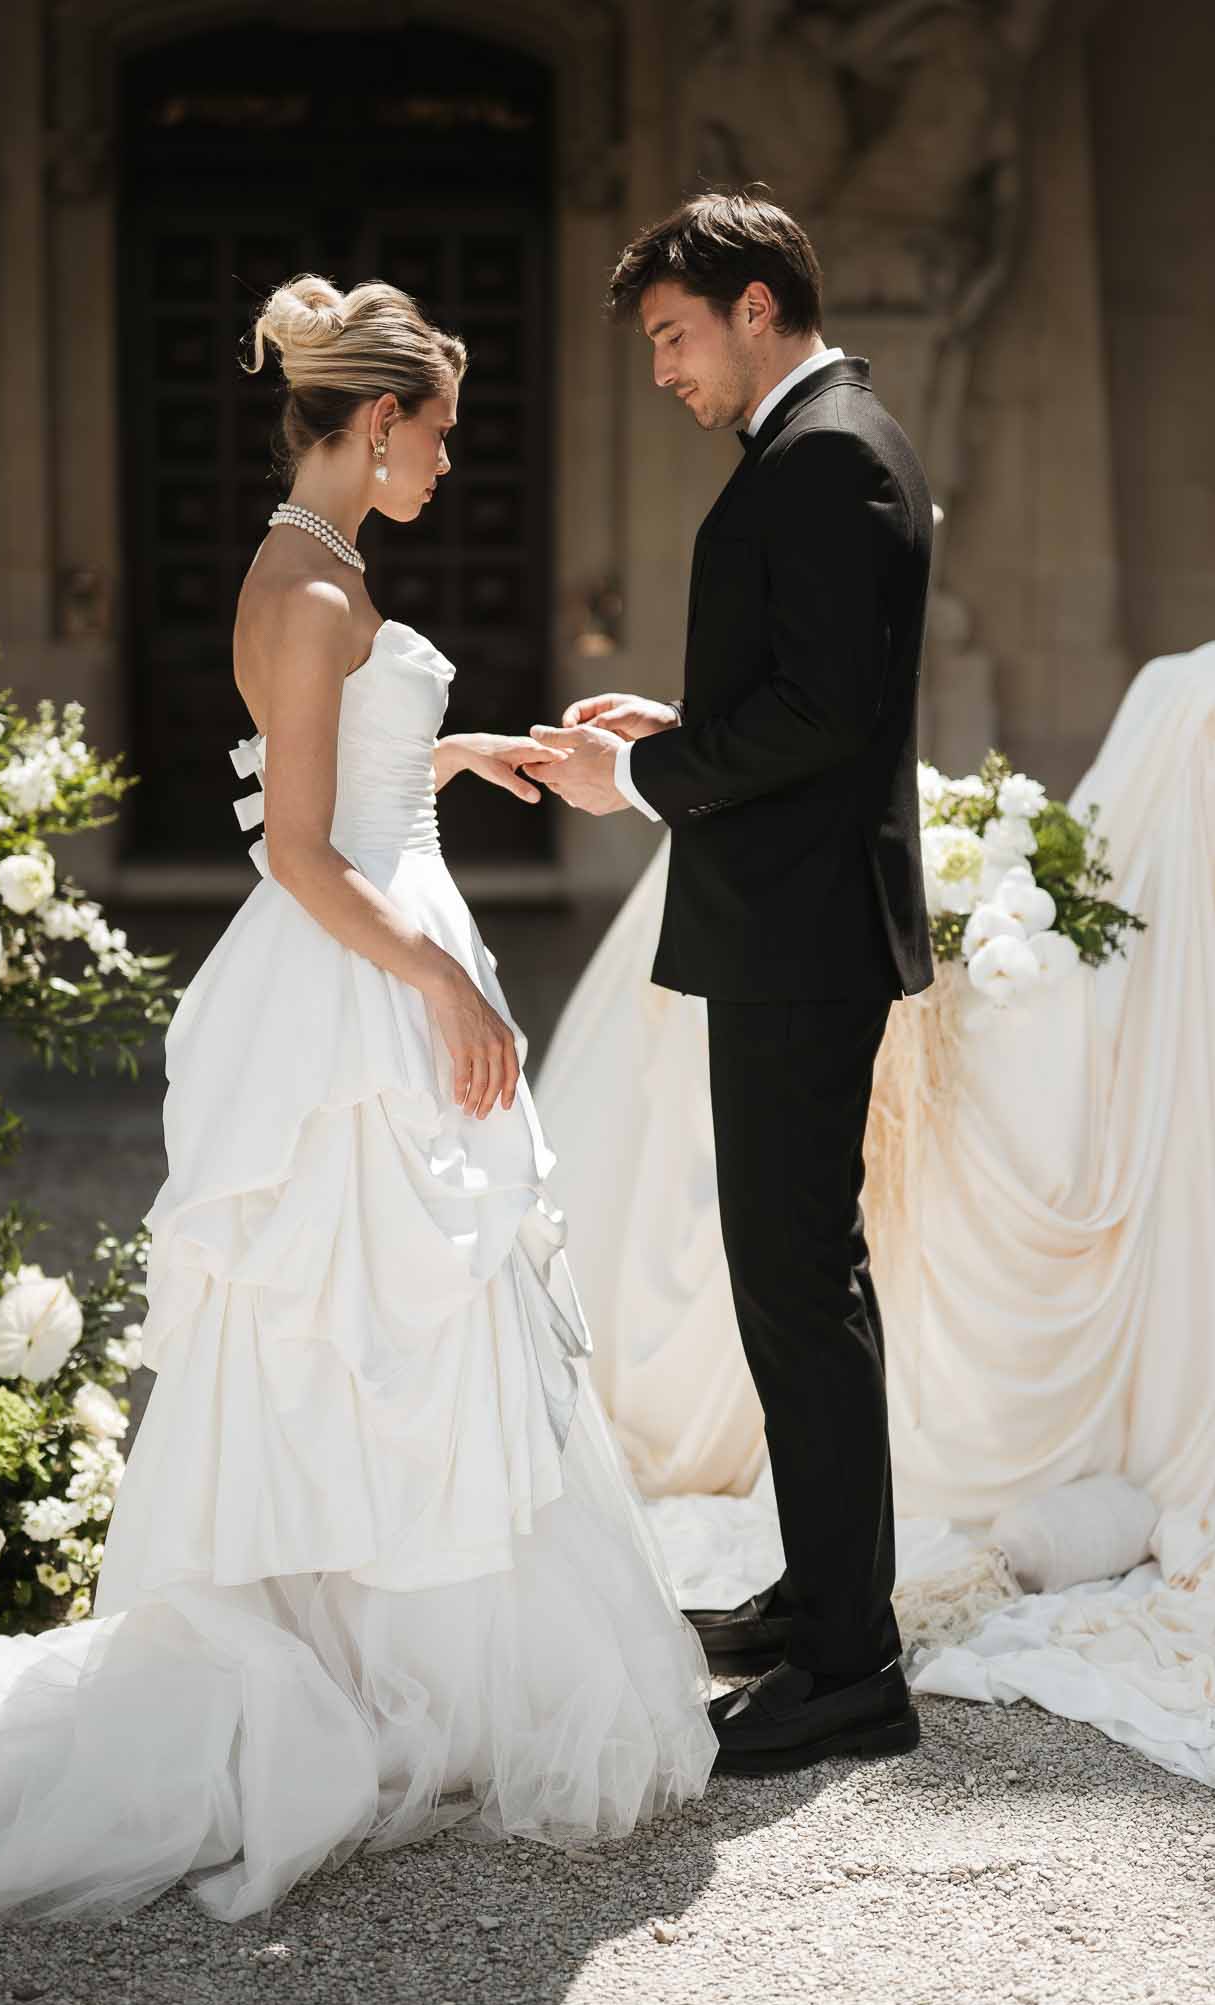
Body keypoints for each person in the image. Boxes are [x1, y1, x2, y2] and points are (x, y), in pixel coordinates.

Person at [0, 274, 716, 1924]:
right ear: (381, 421)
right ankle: (344, 1664)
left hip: (387, 924)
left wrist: (453, 756)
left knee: (412, 1313)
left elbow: (336, 775)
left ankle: (404, 1652)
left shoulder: (324, 560)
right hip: (356, 971)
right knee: (354, 1303)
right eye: (441, 438)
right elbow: (298, 852)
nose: (450, 467)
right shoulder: (310, 583)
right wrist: (446, 987)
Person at [530, 189, 935, 1775]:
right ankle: (828, 1599)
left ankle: (852, 1671)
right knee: (794, 1281)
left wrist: (637, 781)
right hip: (796, 926)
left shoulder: (832, 454)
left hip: (805, 937)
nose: (663, 372)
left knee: (799, 1285)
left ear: (757, 305)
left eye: (674, 336)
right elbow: (805, 690)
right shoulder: (816, 445)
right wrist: (674, 727)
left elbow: (825, 718)